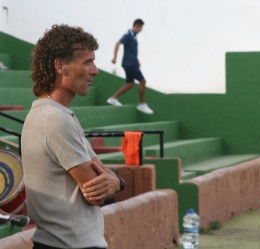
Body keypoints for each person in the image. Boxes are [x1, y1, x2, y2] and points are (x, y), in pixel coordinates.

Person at [21, 24, 124, 249]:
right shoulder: (56, 120)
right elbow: (96, 192)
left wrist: (115, 181)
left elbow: (101, 171)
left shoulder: (49, 114)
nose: (95, 70)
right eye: (87, 62)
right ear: (60, 65)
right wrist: (117, 182)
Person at [107, 18, 154, 114]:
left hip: (131, 63)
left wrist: (137, 60)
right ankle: (142, 104)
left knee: (130, 84)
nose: (141, 30)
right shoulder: (129, 35)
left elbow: (131, 50)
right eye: (141, 28)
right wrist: (114, 58)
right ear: (137, 26)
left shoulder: (134, 36)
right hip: (130, 64)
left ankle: (113, 98)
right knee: (142, 81)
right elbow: (117, 43)